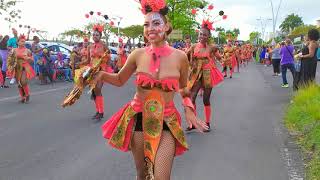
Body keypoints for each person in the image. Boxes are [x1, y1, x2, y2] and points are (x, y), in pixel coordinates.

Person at [93, 1, 208, 179]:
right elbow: (119, 79)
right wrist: (100, 75)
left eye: (156, 23)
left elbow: (184, 88)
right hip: (138, 118)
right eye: (146, 24)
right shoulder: (137, 54)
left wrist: (189, 109)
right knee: (143, 173)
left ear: (167, 26)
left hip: (167, 121)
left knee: (161, 176)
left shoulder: (180, 57)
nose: (150, 28)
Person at [186, 19, 223, 131]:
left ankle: (207, 122)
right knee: (192, 98)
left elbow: (219, 57)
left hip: (208, 74)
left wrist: (221, 59)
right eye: (200, 34)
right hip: (196, 74)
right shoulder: (193, 47)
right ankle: (193, 123)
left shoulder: (212, 47)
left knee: (206, 100)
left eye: (205, 35)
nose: (202, 36)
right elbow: (186, 58)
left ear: (208, 36)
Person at [81, 24, 112, 122]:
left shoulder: (104, 46)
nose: (95, 37)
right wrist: (79, 64)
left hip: (101, 70)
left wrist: (106, 68)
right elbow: (87, 60)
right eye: (93, 35)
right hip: (91, 71)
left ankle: (101, 112)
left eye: (97, 35)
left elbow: (108, 58)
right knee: (94, 92)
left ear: (100, 36)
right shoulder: (89, 46)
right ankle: (98, 111)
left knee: (97, 89)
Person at [7, 35, 35, 103]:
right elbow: (9, 59)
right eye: (22, 41)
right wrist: (11, 62)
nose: (23, 43)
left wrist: (28, 58)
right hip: (16, 68)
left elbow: (32, 60)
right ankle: (22, 97)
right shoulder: (14, 50)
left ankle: (27, 95)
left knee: (23, 82)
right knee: (19, 83)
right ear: (18, 42)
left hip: (24, 67)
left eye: (24, 41)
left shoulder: (27, 50)